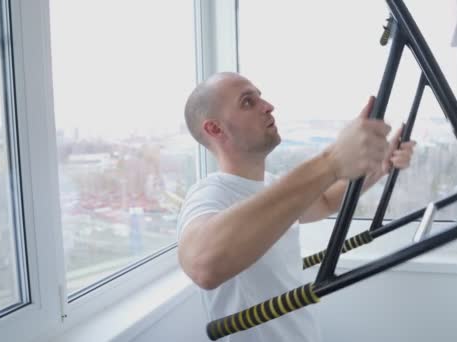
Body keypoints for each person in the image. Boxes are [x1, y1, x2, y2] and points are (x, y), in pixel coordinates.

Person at [177, 72, 415, 341]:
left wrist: (381, 167)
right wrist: (331, 161)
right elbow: (202, 265)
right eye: (247, 102)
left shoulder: (271, 186)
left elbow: (325, 201)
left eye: (260, 96)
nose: (267, 106)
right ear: (215, 129)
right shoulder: (209, 194)